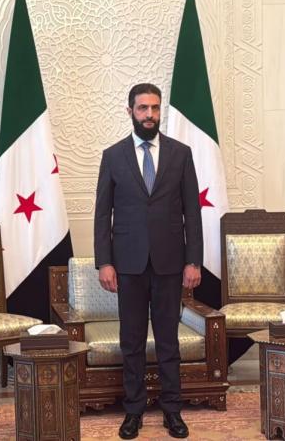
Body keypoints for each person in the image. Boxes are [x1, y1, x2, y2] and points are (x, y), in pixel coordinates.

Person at [94, 83, 203, 439]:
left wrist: (194, 260)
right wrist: (104, 262)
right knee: (132, 342)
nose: (149, 115)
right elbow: (102, 214)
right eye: (142, 108)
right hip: (128, 265)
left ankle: (173, 410)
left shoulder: (180, 154)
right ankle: (133, 411)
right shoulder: (113, 156)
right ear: (130, 111)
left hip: (171, 263)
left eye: (155, 108)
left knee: (169, 341)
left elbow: (192, 212)